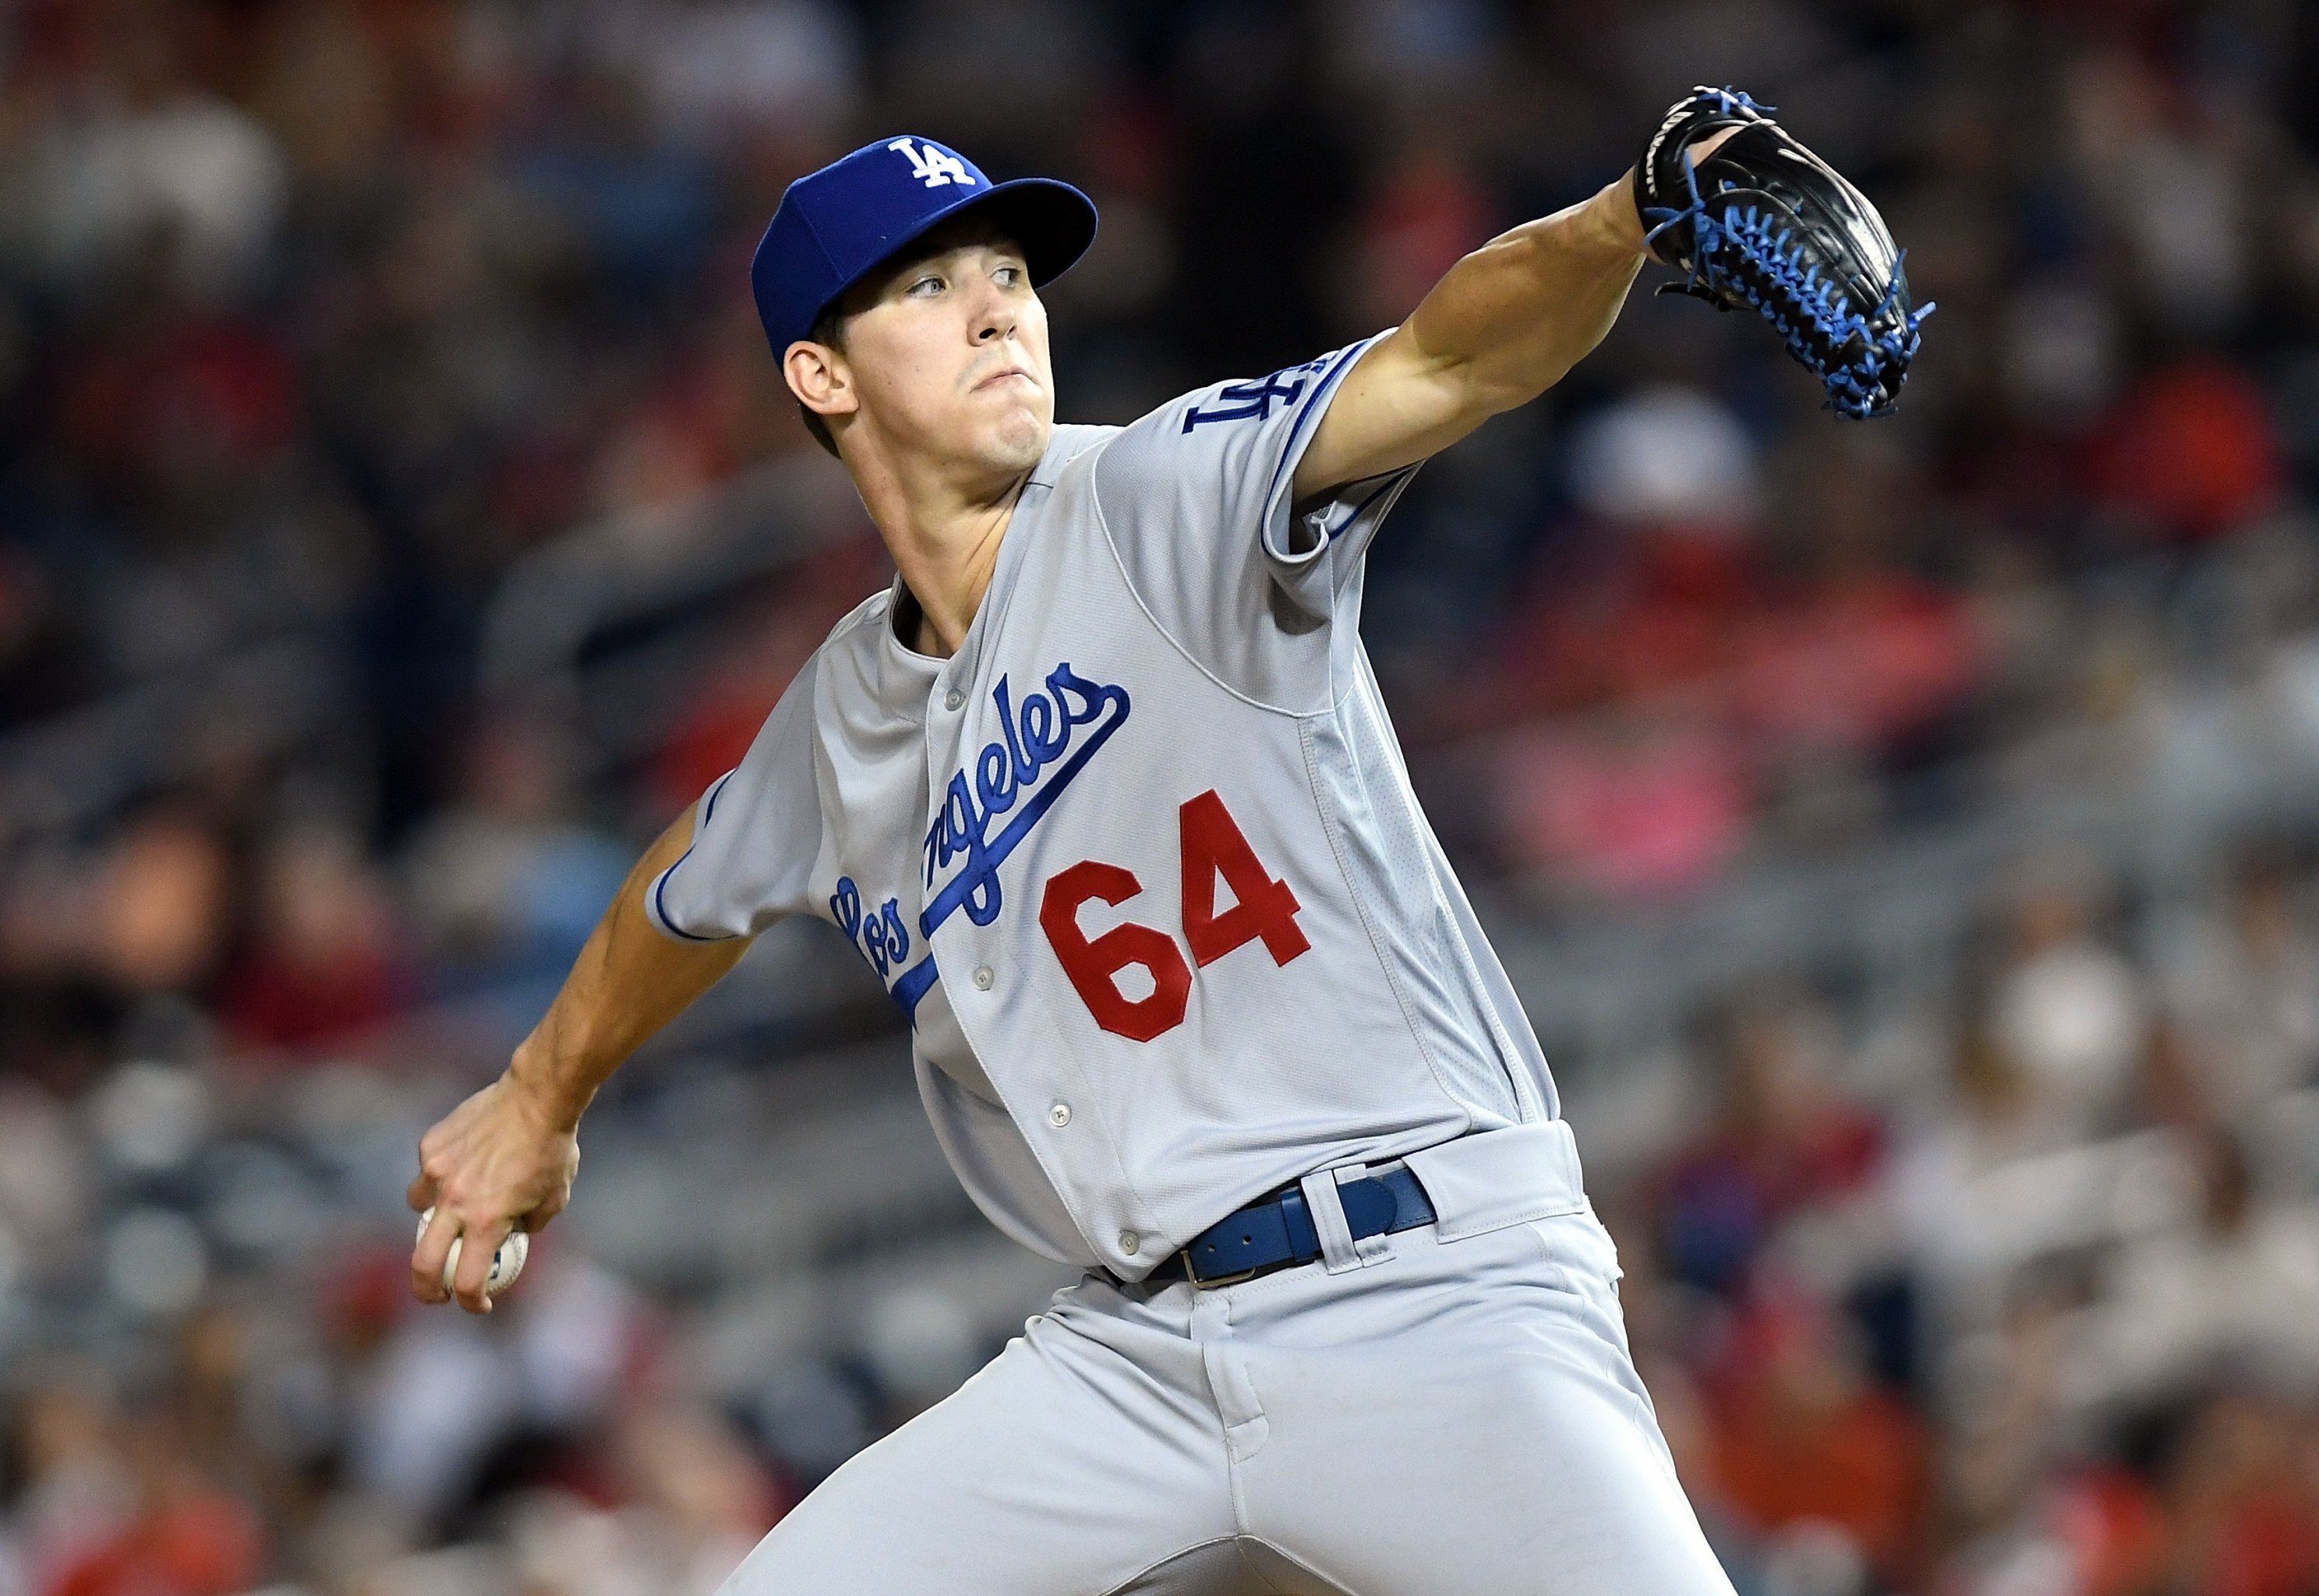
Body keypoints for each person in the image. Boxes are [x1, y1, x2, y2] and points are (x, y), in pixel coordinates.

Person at [408, 130, 1740, 1594]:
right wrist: (538, 1096)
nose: (998, 307)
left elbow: (1447, 363)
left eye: (1007, 273)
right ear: (821, 376)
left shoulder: (1162, 496)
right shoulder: (838, 719)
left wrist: (1621, 220)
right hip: (1138, 1355)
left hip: (1424, 1284)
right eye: (928, 285)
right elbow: (683, 895)